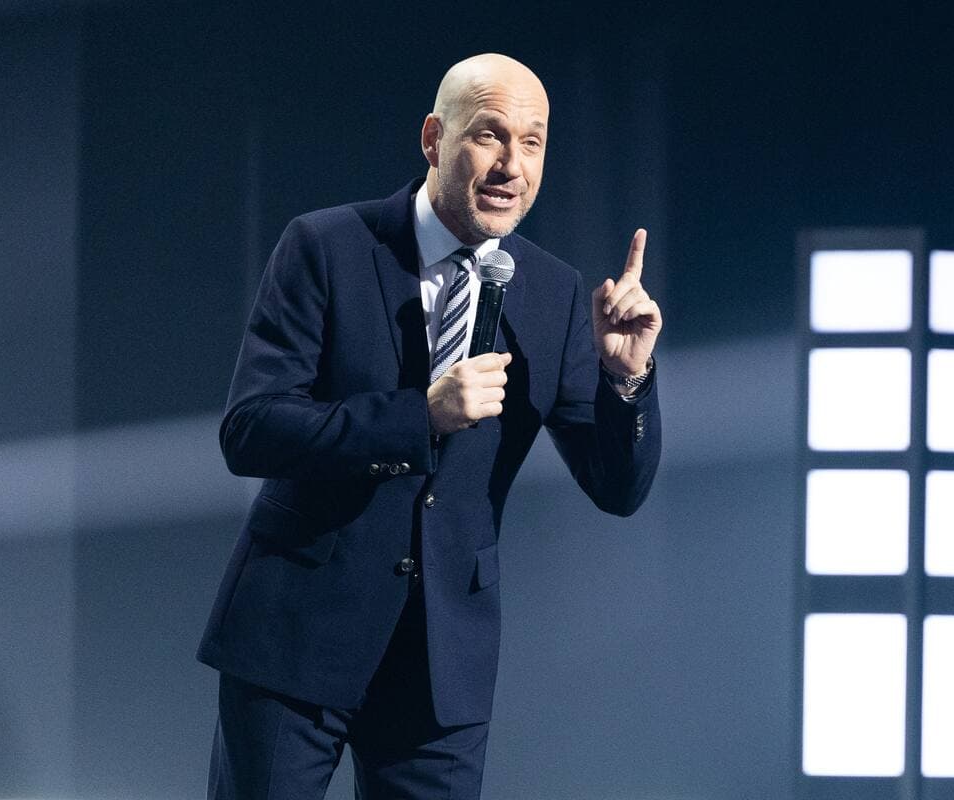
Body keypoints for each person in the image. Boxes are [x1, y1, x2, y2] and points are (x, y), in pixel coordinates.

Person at [198, 52, 663, 799]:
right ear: (433, 139)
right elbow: (250, 429)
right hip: (296, 636)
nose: (512, 165)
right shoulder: (325, 246)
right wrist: (419, 416)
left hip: (442, 667)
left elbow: (618, 487)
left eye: (533, 142)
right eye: (489, 134)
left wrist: (626, 378)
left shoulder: (553, 294)